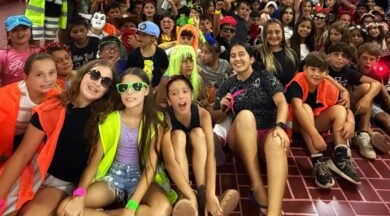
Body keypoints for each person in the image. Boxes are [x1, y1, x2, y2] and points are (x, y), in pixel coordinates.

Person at [0, 60, 114, 215]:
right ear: (82, 75)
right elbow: (23, 154)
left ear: (107, 90)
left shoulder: (103, 119)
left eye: (105, 81)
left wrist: (79, 195)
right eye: (94, 74)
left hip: (61, 183)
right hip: (34, 172)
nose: (97, 82)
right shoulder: (53, 106)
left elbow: (93, 164)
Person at [57, 68, 174, 216]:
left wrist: (131, 206)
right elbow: (94, 162)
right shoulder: (109, 119)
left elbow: (150, 168)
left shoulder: (156, 120)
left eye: (136, 87)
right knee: (65, 209)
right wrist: (79, 195)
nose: (129, 92)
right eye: (123, 88)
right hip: (113, 177)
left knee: (162, 210)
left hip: (141, 177)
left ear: (146, 90)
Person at [212, 43, 289, 216]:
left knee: (277, 140)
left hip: (267, 132)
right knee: (246, 115)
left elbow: (282, 102)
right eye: (233, 56)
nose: (237, 59)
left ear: (251, 58)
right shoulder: (227, 84)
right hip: (241, 137)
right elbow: (216, 117)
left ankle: (274, 212)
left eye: (242, 54)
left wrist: (280, 127)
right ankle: (257, 186)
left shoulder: (264, 76)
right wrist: (222, 107)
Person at [163, 75, 239, 216]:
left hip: (199, 152)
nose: (180, 96)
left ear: (192, 95)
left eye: (185, 91)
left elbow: (210, 154)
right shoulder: (166, 117)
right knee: (178, 135)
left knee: (198, 133)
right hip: (177, 156)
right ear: (168, 101)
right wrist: (189, 194)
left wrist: (211, 192)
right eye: (174, 93)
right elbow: (169, 162)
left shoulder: (203, 114)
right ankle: (185, 195)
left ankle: (203, 194)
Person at [285, 52, 360, 188]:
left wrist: (351, 122)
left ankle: (340, 157)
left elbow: (345, 108)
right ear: (305, 69)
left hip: (315, 123)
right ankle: (318, 160)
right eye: (313, 69)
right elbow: (297, 108)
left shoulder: (328, 85)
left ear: (326, 72)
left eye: (321, 71)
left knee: (339, 110)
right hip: (296, 126)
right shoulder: (297, 82)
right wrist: (315, 135)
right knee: (305, 107)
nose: (316, 74)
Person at [0, 53, 60, 180]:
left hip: (30, 145)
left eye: (51, 72)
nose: (47, 79)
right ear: (26, 77)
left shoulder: (57, 97)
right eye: (39, 75)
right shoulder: (5, 96)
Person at [326, 43, 387, 160]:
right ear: (328, 56)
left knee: (367, 88)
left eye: (344, 56)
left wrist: (366, 98)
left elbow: (377, 84)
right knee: (341, 111)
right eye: (336, 54)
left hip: (345, 106)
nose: (340, 58)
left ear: (349, 60)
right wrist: (344, 91)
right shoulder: (323, 68)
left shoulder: (349, 72)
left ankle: (363, 134)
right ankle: (349, 138)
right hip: (327, 108)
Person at [255, 19, 298, 86]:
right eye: (269, 32)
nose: (274, 35)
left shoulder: (292, 54)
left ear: (282, 34)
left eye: (277, 32)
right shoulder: (257, 53)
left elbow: (295, 79)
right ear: (265, 35)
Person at [126, 22, 169, 88]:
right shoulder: (134, 54)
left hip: (157, 89)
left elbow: (165, 70)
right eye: (138, 33)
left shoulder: (160, 53)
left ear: (153, 38)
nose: (139, 37)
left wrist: (160, 86)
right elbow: (129, 73)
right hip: (138, 88)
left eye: (144, 35)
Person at [0, 15, 38, 87]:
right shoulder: (2, 55)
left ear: (31, 31)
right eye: (14, 30)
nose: (20, 32)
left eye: (24, 29)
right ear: (8, 35)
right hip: (10, 92)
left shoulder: (39, 52)